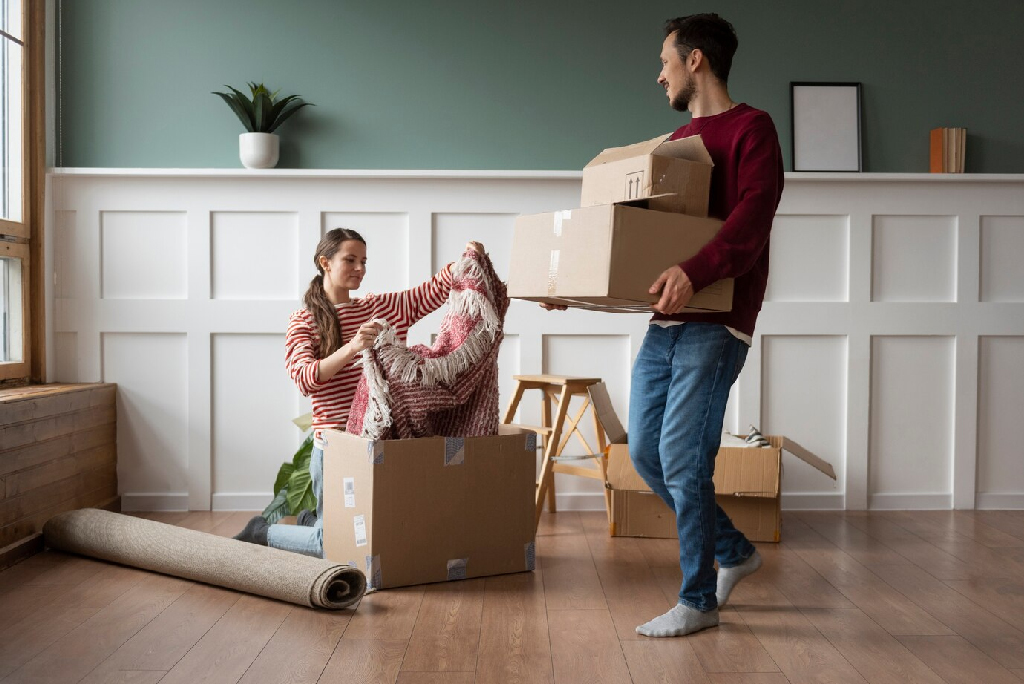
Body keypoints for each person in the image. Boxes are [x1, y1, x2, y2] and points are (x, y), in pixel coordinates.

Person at [543, 13, 784, 637]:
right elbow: (644, 243)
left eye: (666, 61)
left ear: (695, 60)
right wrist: (576, 289)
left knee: (683, 456)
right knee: (647, 453)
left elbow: (751, 225)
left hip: (719, 317)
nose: (660, 74)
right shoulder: (675, 143)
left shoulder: (752, 130)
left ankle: (698, 602)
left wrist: (695, 272)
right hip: (669, 318)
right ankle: (735, 552)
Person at [234, 228, 485, 557]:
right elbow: (304, 377)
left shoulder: (376, 307)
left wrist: (467, 259)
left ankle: (312, 520)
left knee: (372, 527)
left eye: (363, 261)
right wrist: (353, 347)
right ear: (325, 262)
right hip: (335, 444)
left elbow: (428, 293)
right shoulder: (304, 320)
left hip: (375, 440)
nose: (360, 269)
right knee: (332, 545)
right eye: (349, 260)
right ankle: (262, 532)